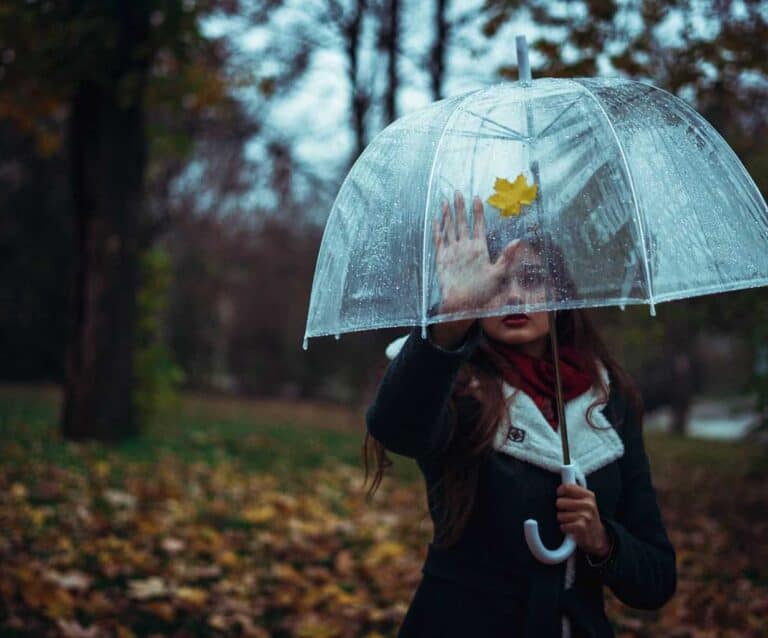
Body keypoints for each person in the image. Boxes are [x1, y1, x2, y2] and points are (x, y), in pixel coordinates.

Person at [363, 192, 677, 638]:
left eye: (532, 279)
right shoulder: (452, 384)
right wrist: (452, 317)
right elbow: (397, 429)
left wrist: (603, 541)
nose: (513, 295)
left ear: (561, 292)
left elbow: (658, 580)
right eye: (495, 283)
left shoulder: (609, 396)